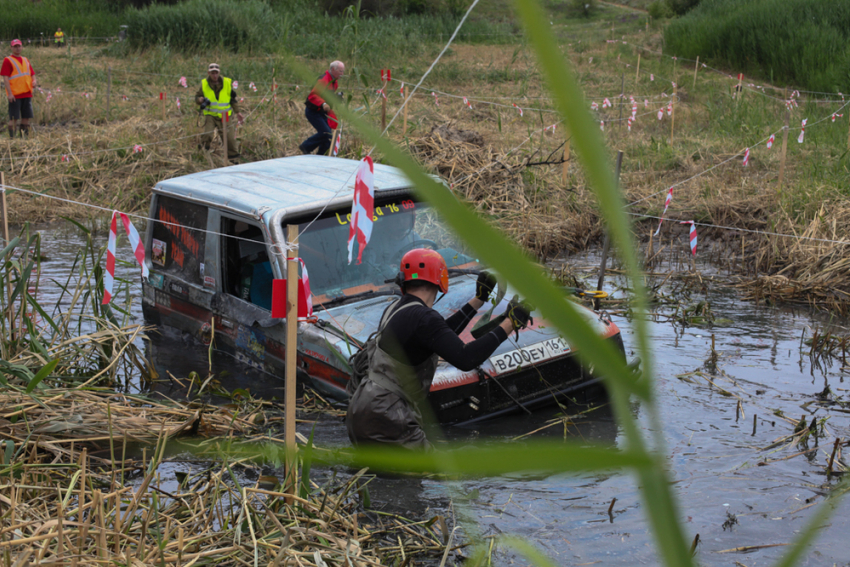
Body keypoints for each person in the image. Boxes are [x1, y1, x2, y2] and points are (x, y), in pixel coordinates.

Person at [346, 249, 532, 449]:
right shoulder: (422, 317)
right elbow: (466, 358)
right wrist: (511, 323)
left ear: (403, 281)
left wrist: (479, 299)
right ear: (440, 279)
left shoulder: (397, 309)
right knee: (439, 473)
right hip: (388, 416)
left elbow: (441, 335)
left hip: (363, 412)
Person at [195, 63, 243, 161]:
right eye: (212, 73)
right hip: (211, 115)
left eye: (216, 73)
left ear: (219, 72)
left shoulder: (226, 83)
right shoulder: (204, 84)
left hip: (225, 115)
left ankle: (233, 158)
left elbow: (232, 99)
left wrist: (238, 112)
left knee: (229, 137)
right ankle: (203, 154)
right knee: (207, 134)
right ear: (209, 73)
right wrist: (199, 100)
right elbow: (197, 97)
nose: (215, 75)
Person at [299, 60, 344, 156]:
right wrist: (323, 104)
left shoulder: (334, 82)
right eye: (340, 71)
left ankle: (321, 156)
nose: (342, 74)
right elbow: (313, 95)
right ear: (333, 69)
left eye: (343, 71)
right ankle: (305, 146)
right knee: (325, 133)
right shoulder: (323, 80)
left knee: (328, 137)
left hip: (322, 112)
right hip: (313, 111)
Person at [1, 39, 36, 139]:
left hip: (27, 93)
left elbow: (32, 74)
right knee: (14, 118)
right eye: (15, 46)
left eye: (19, 46)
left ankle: (23, 139)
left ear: (22, 47)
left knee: (26, 118)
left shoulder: (25, 60)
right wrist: (10, 94)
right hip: (15, 95)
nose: (17, 48)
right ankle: (12, 139)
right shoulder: (8, 60)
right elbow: (5, 78)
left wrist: (34, 81)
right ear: (11, 48)